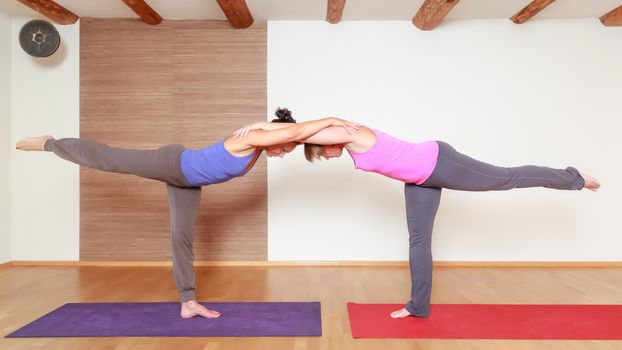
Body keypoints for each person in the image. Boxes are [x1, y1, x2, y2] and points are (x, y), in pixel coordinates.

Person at [238, 111, 600, 319]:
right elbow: (301, 133)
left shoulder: (349, 133)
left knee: (503, 179)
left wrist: (262, 128)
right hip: (420, 179)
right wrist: (264, 127)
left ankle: (573, 177)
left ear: (326, 140)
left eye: (320, 153)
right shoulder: (341, 141)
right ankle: (418, 306)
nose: (326, 157)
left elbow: (300, 132)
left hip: (439, 162)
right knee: (418, 240)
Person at [15, 108, 358, 319]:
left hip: (187, 184)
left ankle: (187, 301)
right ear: (274, 136)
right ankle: (50, 143)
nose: (285, 152)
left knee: (181, 238)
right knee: (110, 160)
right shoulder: (251, 140)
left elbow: (284, 132)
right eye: (285, 147)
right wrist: (329, 118)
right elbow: (294, 132)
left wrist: (266, 126)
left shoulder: (257, 143)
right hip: (172, 163)